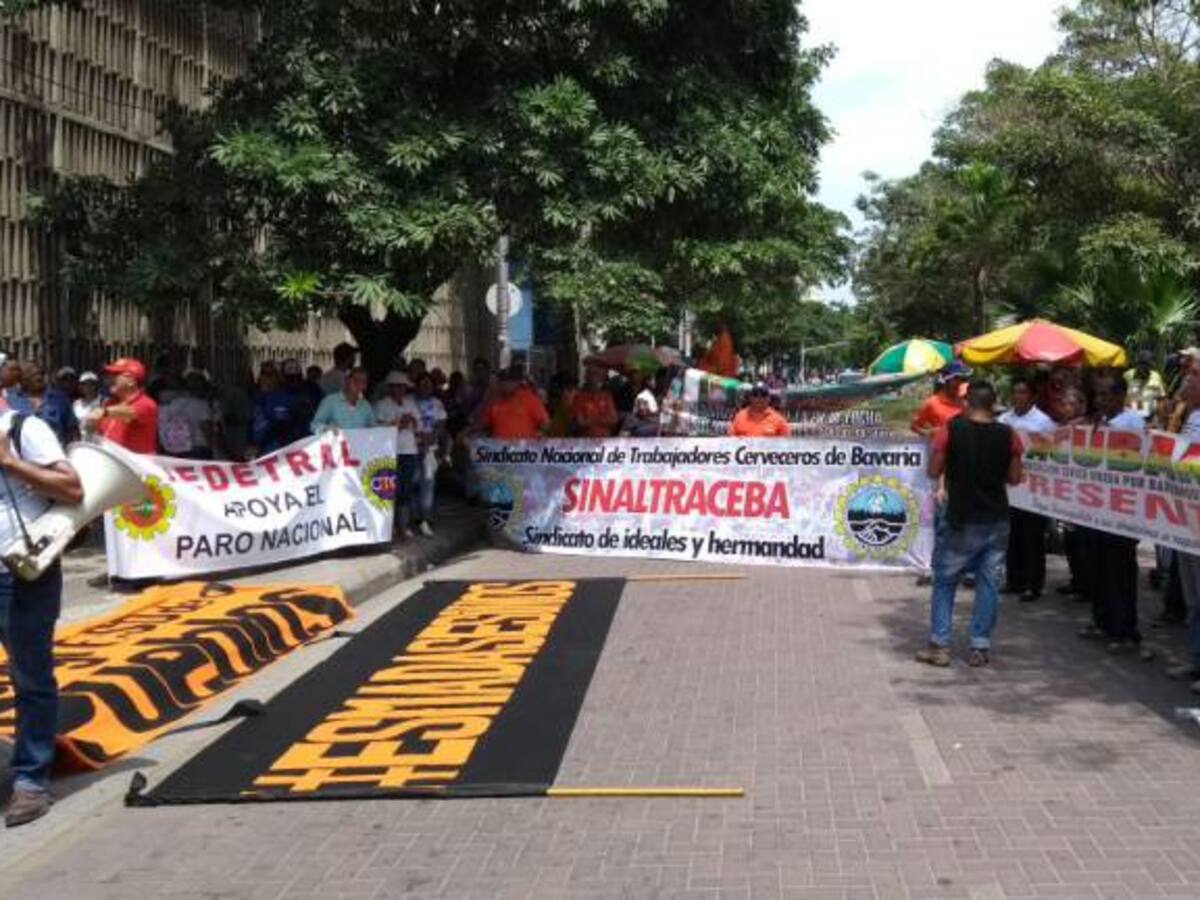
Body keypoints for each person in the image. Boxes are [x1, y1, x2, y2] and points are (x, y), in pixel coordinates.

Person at [0, 404, 83, 826]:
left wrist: (10, 463)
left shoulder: (23, 429)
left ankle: (30, 780)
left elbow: (72, 488)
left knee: (29, 675)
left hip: (19, 574)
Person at [916, 380, 1024, 668]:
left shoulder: (950, 429)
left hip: (961, 519)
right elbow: (1015, 478)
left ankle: (939, 645)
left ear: (967, 404)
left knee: (945, 581)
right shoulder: (1009, 434)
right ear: (993, 404)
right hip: (997, 519)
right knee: (988, 584)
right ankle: (980, 646)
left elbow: (933, 470)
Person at [1076, 374, 1148, 653]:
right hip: (1097, 511)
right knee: (1098, 568)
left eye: (1105, 395)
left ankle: (1125, 631)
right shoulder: (1098, 423)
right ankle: (1103, 621)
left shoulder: (1132, 424)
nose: (1099, 400)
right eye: (1097, 395)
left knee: (1119, 574)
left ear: (1120, 396)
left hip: (1121, 514)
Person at [999, 376, 1056, 603]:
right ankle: (1014, 580)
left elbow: (1054, 452)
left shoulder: (1044, 422)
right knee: (1012, 536)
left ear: (1032, 396)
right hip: (1010, 486)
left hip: (1034, 488)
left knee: (1032, 537)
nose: (1018, 396)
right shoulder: (1004, 419)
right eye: (1015, 392)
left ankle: (1034, 584)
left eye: (1023, 392)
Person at [1167, 371, 1200, 691]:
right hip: (1186, 522)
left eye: (1193, 380)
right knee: (1193, 599)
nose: (1186, 386)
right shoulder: (1192, 418)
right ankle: (1194, 660)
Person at [374, 372, 420, 539]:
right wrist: (397, 424)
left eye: (403, 387)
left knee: (405, 490)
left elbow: (419, 426)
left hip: (409, 450)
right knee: (390, 490)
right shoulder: (381, 405)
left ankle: (404, 526)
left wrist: (413, 422)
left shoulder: (410, 403)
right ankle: (390, 527)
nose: (401, 390)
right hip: (390, 452)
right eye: (397, 386)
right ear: (391, 388)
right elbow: (376, 428)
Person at [88, 358, 158, 453]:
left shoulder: (146, 403)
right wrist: (92, 425)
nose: (109, 379)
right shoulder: (109, 403)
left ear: (131, 382)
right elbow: (99, 432)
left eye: (115, 375)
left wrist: (104, 412)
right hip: (109, 461)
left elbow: (129, 412)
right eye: (109, 375)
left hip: (135, 465)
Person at [413, 372, 447, 536]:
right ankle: (414, 516)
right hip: (411, 447)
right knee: (413, 481)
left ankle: (425, 518)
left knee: (428, 482)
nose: (426, 387)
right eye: (422, 384)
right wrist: (419, 437)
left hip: (430, 449)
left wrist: (433, 437)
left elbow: (441, 423)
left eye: (429, 384)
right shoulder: (409, 402)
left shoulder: (437, 403)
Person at [158, 370, 217, 459]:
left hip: (171, 451)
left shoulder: (166, 406)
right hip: (198, 450)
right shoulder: (202, 405)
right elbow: (207, 431)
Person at [480, 366, 549, 439]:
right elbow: (484, 425)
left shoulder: (530, 399)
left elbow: (545, 424)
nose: (505, 384)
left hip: (523, 448)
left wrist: (540, 438)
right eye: (502, 381)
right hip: (499, 448)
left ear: (517, 382)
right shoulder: (495, 400)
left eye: (509, 381)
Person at [18, 362, 78, 445]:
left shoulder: (59, 399)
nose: (38, 377)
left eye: (41, 373)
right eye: (33, 374)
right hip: (21, 455)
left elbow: (72, 429)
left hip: (54, 453)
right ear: (23, 379)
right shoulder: (14, 400)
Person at [910, 362, 969, 436]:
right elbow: (914, 426)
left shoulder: (963, 402)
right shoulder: (932, 403)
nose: (958, 383)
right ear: (945, 381)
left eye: (961, 379)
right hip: (941, 446)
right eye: (955, 379)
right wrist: (929, 433)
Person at [311, 366, 376, 432]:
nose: (360, 385)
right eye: (356, 380)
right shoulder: (330, 401)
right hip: (337, 441)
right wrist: (327, 429)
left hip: (360, 441)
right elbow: (314, 425)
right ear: (347, 380)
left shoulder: (365, 405)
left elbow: (373, 428)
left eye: (364, 382)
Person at [571, 367, 619, 438]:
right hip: (586, 440)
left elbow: (613, 420)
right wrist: (602, 419)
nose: (594, 378)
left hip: (604, 440)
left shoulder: (607, 396)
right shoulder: (579, 397)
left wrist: (591, 420)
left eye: (596, 375)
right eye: (591, 375)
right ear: (586, 377)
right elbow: (580, 422)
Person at [1125, 350, 1166, 419]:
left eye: (1148, 366)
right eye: (1143, 364)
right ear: (1137, 364)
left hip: (1149, 418)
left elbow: (1161, 399)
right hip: (1129, 417)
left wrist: (1159, 419)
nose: (1145, 368)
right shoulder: (1128, 375)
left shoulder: (1156, 376)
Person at [73, 372, 102, 438]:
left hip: (97, 438)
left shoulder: (102, 401)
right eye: (84, 384)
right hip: (80, 439)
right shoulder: (76, 403)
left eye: (91, 384)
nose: (88, 387)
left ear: (96, 385)